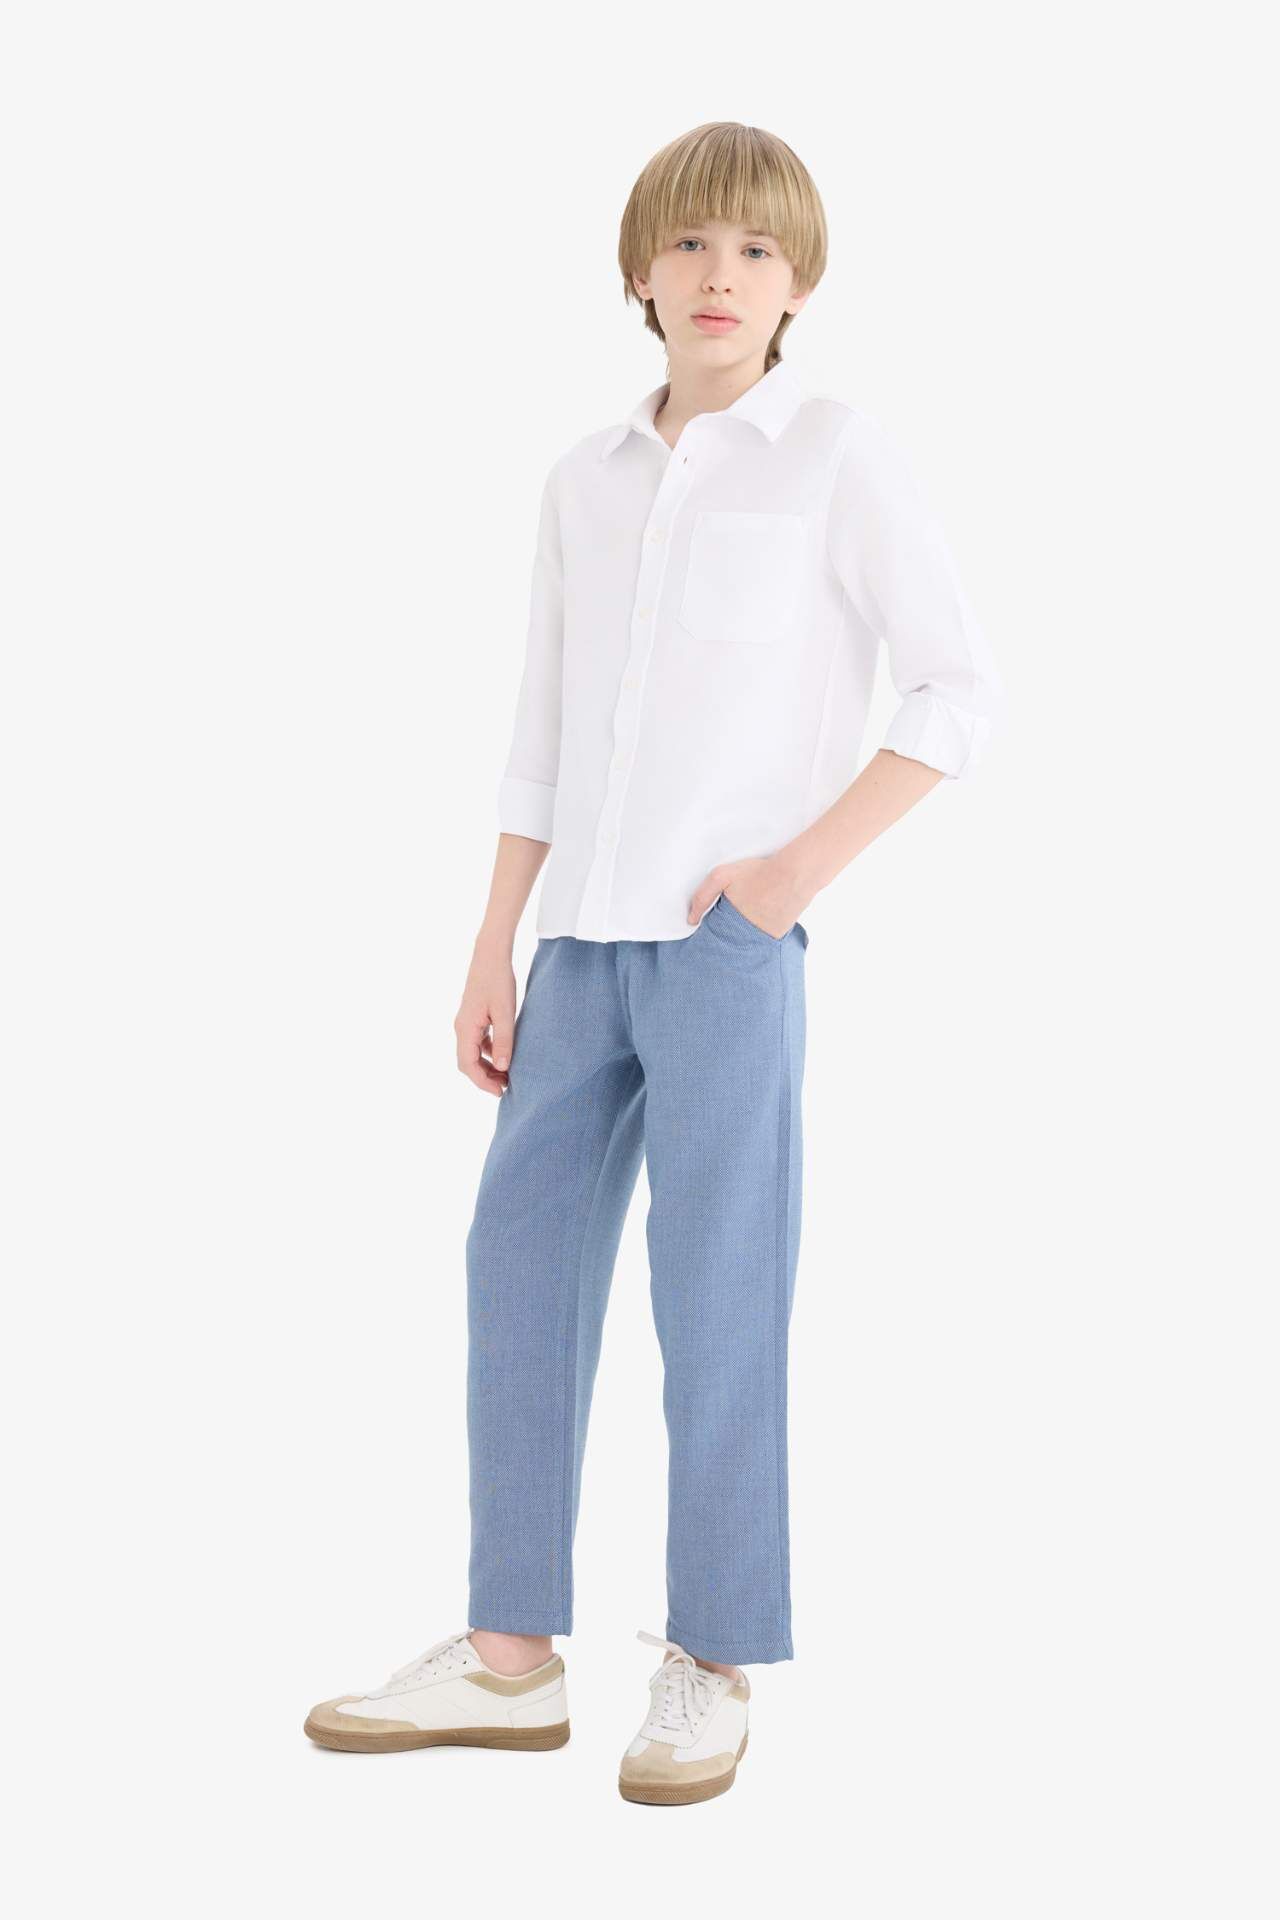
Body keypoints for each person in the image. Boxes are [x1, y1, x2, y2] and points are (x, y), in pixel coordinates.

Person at [304, 119, 1004, 1806]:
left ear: (801, 282)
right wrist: (493, 941)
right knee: (516, 1270)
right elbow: (543, 729)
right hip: (573, 946)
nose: (719, 275)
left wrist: (784, 881)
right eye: (690, 244)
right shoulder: (585, 479)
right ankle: (509, 1659)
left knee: (719, 1294)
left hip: (724, 951)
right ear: (640, 270)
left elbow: (956, 694)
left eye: (757, 250)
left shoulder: (836, 454)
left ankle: (715, 1658)